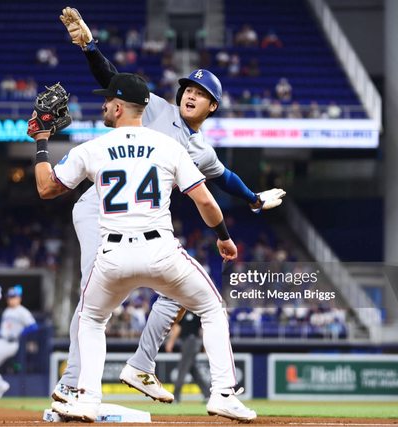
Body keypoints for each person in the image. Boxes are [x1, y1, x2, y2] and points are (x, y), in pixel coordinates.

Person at [53, 6, 285, 405]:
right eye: (189, 89)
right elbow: (114, 82)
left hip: (139, 221)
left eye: (201, 94)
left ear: (213, 107)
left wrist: (253, 200)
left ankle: (141, 365)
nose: (191, 95)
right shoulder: (158, 108)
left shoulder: (201, 149)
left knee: (178, 293)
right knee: (92, 299)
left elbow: (224, 177)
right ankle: (71, 384)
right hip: (99, 208)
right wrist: (89, 47)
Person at [34, 73, 256, 422]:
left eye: (108, 100)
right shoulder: (170, 146)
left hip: (112, 256)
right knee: (212, 308)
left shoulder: (92, 148)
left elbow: (46, 188)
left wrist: (42, 140)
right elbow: (206, 201)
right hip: (160, 252)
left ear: (119, 108)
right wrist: (224, 236)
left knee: (90, 318)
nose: (104, 105)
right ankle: (224, 394)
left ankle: (87, 397)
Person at [165, 311, 210, 403]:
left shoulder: (192, 312)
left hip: (191, 342)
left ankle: (176, 397)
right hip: (190, 342)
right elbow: (202, 330)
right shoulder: (190, 311)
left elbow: (178, 329)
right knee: (193, 370)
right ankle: (208, 395)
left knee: (183, 368)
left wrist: (170, 343)